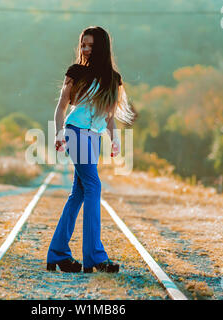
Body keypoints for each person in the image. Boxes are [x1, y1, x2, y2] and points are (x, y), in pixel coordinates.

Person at [46, 26, 137, 274]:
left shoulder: (113, 79)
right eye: (83, 45)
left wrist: (114, 138)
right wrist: (59, 132)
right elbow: (62, 106)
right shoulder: (76, 73)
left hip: (94, 138)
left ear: (101, 48)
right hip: (75, 132)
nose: (85, 49)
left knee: (79, 192)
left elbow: (108, 116)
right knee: (94, 186)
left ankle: (58, 253)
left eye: (90, 46)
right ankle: (95, 257)